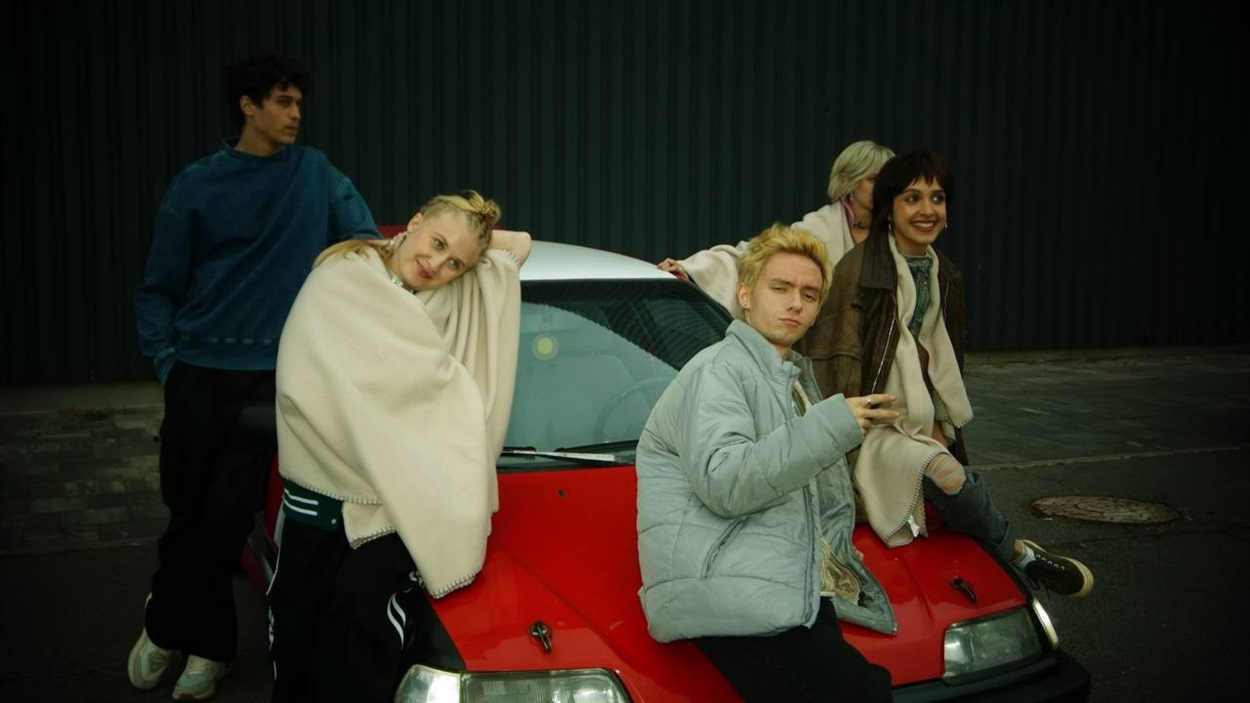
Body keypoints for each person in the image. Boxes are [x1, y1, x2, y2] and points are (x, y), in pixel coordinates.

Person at [128, 52, 380, 700]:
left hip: (272, 381)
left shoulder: (315, 175)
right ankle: (176, 621)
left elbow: (365, 246)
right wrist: (167, 363)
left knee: (223, 515)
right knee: (186, 509)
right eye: (283, 102)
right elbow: (158, 287)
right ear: (248, 106)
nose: (296, 115)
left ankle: (194, 641)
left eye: (299, 103)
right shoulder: (197, 186)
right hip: (196, 373)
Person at [267, 192, 531, 703]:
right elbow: (308, 387)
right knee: (298, 624)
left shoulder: (451, 302)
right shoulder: (341, 278)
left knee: (360, 623)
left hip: (403, 496)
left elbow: (520, 244)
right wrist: (463, 228)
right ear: (413, 223)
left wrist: (469, 236)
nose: (438, 265)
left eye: (456, 264)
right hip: (322, 492)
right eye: (436, 243)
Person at [636, 223, 898, 702]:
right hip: (729, 592)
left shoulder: (780, 375)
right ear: (745, 294)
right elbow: (727, 482)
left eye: (809, 295)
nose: (795, 303)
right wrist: (829, 426)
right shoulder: (719, 370)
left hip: (774, 581)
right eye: (780, 288)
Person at [817, 149, 1094, 598]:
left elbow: (940, 363)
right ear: (889, 206)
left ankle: (1004, 557)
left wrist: (935, 427)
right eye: (912, 198)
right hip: (868, 426)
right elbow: (833, 365)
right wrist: (840, 444)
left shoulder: (945, 274)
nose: (927, 210)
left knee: (953, 484)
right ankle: (1020, 555)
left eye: (937, 197)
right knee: (949, 479)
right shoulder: (857, 272)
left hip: (921, 419)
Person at [657, 139, 894, 318]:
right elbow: (753, 256)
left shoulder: (897, 233)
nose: (882, 186)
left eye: (887, 179)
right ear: (848, 181)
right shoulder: (819, 229)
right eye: (873, 179)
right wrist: (692, 271)